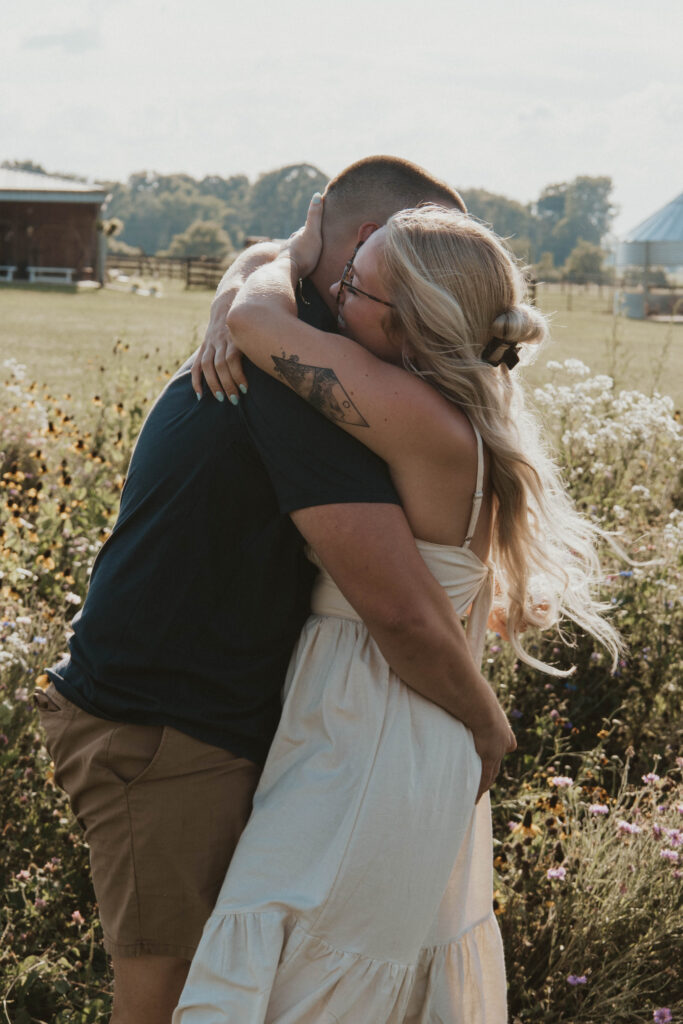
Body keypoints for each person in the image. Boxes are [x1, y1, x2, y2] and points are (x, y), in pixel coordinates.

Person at [34, 157, 516, 1024]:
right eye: (355, 265)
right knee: (188, 994)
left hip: (305, 730)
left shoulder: (328, 368)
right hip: (166, 726)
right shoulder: (307, 370)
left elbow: (402, 610)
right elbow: (402, 610)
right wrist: (262, 270)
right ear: (363, 243)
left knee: (265, 990)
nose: (345, 284)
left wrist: (259, 276)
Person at [173, 197, 621, 1023]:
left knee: (303, 983)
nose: (334, 295)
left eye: (355, 288)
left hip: (375, 731)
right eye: (341, 275)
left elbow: (253, 314)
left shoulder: (415, 417)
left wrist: (289, 251)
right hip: (378, 727)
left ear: (413, 327)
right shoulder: (444, 412)